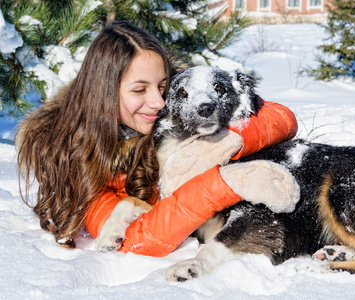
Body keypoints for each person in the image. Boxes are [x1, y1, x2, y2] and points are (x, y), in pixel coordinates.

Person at [16, 21, 298, 255]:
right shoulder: (72, 156)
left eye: (161, 86)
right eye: (139, 90)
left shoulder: (172, 101)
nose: (159, 102)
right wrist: (219, 184)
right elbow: (142, 238)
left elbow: (280, 116)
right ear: (103, 93)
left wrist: (232, 140)